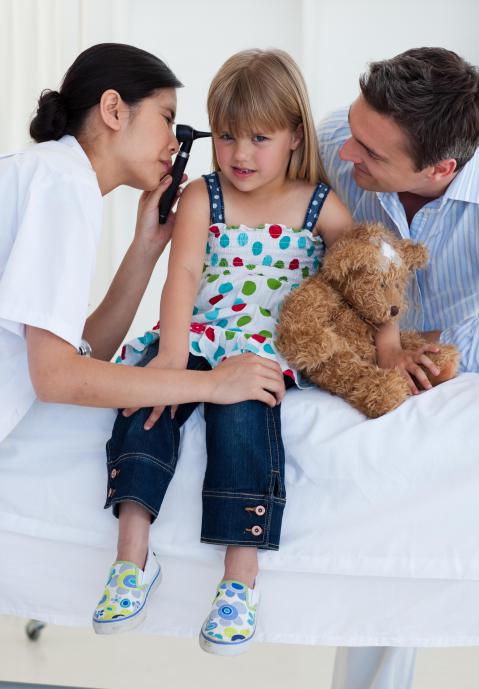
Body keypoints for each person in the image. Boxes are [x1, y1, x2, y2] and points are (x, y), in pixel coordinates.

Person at [93, 48, 357, 652]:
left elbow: (368, 273)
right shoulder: (201, 197)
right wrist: (169, 356)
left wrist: (374, 346)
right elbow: (182, 275)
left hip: (270, 348)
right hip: (201, 337)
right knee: (144, 408)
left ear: (294, 135)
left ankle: (240, 579)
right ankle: (131, 559)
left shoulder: (319, 205)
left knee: (244, 418)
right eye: (229, 136)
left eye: (259, 138)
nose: (240, 155)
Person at [318, 46, 479, 689]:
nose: (347, 155)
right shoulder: (334, 142)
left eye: (371, 154)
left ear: (441, 169)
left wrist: (401, 341)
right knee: (378, 560)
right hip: (379, 375)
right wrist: (378, 352)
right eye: (353, 132)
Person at [0, 46, 286, 486]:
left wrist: (145, 249)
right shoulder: (62, 183)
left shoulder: (49, 175)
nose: (174, 143)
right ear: (114, 109)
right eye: (167, 117)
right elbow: (56, 377)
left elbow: (80, 356)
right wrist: (213, 385)